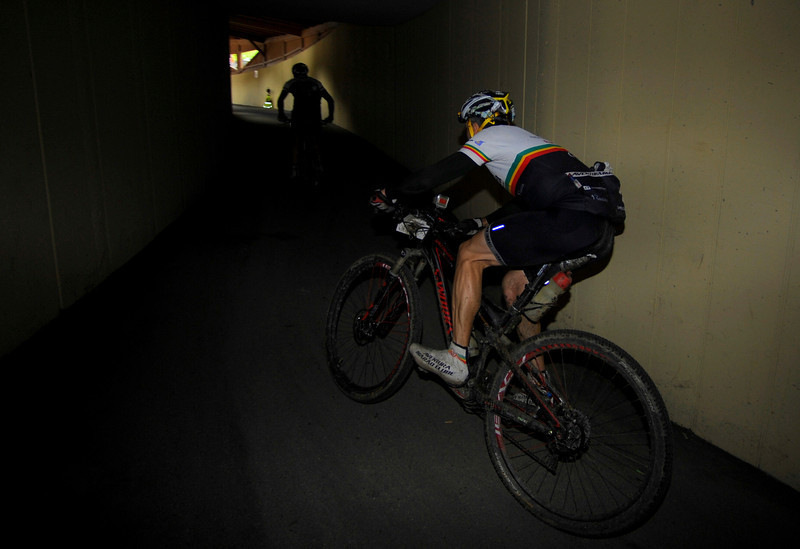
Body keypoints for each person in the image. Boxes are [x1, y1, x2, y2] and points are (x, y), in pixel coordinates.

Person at [372, 90, 624, 387]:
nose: (469, 132)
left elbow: (432, 177)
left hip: (567, 221)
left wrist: (391, 193)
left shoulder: (493, 136)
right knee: (516, 289)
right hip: (598, 231)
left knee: (469, 253)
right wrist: (481, 222)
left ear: (478, 121)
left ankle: (457, 357)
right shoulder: (531, 142)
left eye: (469, 125)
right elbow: (526, 203)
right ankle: (539, 385)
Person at [277, 62, 334, 179]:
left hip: (298, 117)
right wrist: (330, 116)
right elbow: (330, 100)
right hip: (314, 117)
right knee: (315, 142)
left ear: (293, 73)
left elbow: (280, 99)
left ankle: (294, 167)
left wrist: (281, 114)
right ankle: (318, 164)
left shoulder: (291, 83)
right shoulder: (316, 83)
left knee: (296, 142)